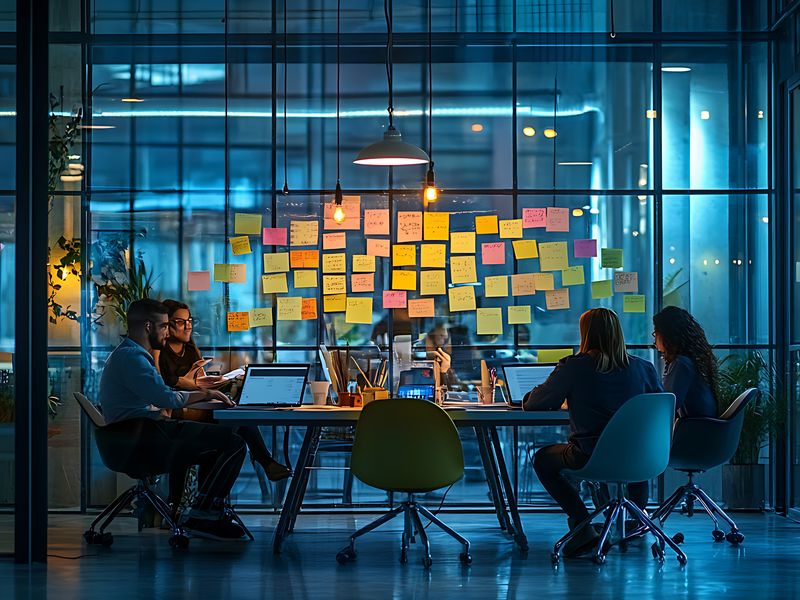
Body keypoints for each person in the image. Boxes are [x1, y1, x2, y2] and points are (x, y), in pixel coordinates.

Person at [98, 298, 247, 540]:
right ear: (148, 327)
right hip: (144, 438)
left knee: (218, 441)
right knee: (234, 442)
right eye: (164, 326)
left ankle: (206, 511)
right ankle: (204, 515)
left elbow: (158, 395)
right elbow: (166, 398)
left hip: (136, 435)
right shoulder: (133, 358)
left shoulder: (127, 354)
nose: (167, 333)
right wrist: (207, 392)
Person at [523, 308, 663, 557]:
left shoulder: (576, 366)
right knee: (634, 442)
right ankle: (636, 519)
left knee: (543, 459)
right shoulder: (644, 368)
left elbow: (537, 403)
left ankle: (582, 523)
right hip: (643, 457)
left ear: (585, 334)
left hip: (591, 455)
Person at [156, 299, 291, 482]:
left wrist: (217, 382)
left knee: (235, 417)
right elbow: (164, 385)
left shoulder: (189, 350)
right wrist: (192, 384)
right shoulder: (160, 351)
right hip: (179, 411)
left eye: (189, 321)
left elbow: (197, 378)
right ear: (167, 324)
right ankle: (264, 462)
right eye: (180, 322)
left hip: (200, 404)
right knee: (234, 424)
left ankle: (210, 498)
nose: (187, 326)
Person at [652, 306, 718, 418]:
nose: (654, 339)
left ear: (667, 335)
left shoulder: (681, 363)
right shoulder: (690, 360)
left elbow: (667, 405)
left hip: (694, 428)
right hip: (704, 426)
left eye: (655, 333)